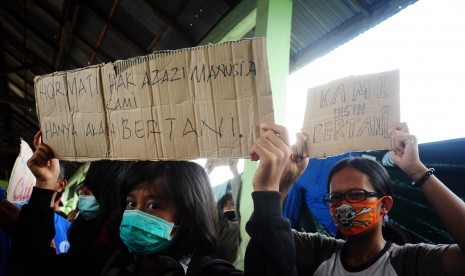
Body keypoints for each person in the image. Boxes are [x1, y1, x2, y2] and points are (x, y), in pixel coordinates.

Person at [9, 127, 297, 276]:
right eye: (131, 204)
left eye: (153, 206)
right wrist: (44, 185)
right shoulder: (104, 266)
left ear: (185, 216)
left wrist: (268, 191)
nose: (134, 215)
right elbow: (36, 262)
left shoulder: (204, 273)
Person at [275, 122, 465, 275]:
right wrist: (283, 182)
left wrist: (416, 170)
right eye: (335, 198)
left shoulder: (411, 262)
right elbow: (266, 235)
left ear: (384, 205)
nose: (343, 205)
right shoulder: (317, 252)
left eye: (356, 194)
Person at [7, 131, 134, 276]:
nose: (83, 192)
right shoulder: (87, 261)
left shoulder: (118, 264)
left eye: (98, 188)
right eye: (87, 184)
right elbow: (40, 264)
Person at [212, 193, 241, 263]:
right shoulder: (221, 224)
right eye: (225, 205)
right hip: (217, 261)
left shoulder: (239, 225)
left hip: (232, 263)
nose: (229, 207)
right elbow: (216, 208)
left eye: (232, 204)